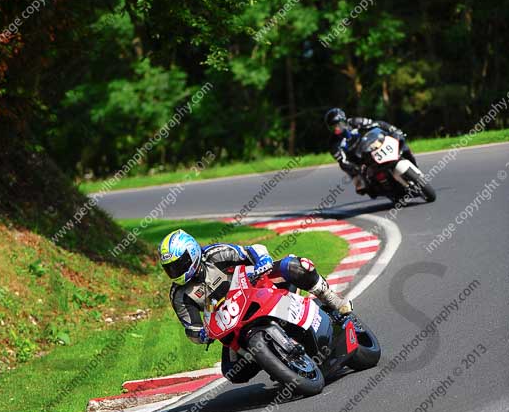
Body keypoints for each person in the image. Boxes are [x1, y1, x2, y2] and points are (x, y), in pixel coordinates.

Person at [159, 229, 354, 384]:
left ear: (191, 253)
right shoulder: (179, 294)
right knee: (233, 373)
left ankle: (331, 299)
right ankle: (276, 360)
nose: (176, 271)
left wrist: (263, 261)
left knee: (295, 266)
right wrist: (200, 335)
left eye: (179, 263)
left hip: (256, 286)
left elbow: (251, 250)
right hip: (230, 320)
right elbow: (191, 327)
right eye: (170, 268)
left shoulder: (214, 254)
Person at [324, 107, 415, 195]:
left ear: (344, 120)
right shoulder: (333, 144)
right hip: (358, 161)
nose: (337, 129)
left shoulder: (355, 122)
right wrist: (356, 168)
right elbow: (342, 161)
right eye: (333, 127)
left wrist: (393, 130)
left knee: (402, 145)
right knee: (361, 186)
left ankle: (413, 166)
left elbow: (377, 124)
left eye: (338, 125)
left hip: (371, 146)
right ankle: (383, 188)